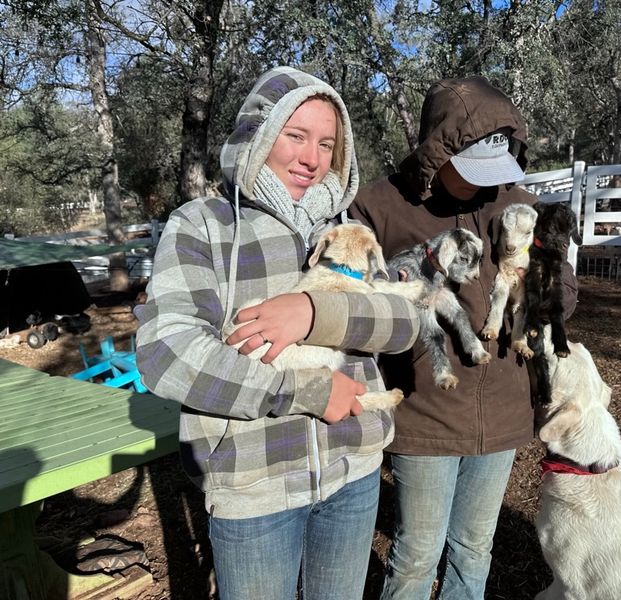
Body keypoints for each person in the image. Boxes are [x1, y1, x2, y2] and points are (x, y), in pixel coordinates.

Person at [134, 66, 420, 600]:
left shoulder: (344, 226)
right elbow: (167, 353)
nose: (312, 158)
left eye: (327, 143)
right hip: (253, 484)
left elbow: (406, 322)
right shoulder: (203, 226)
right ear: (258, 135)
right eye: (295, 135)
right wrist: (304, 391)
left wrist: (314, 313)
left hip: (353, 469)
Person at [349, 76, 579, 599]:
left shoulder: (518, 202)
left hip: (502, 411)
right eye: (471, 169)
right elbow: (359, 304)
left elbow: (564, 287)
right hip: (424, 409)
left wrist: (547, 290)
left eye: (495, 170)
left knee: (475, 549)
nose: (484, 185)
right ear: (437, 151)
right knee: (416, 553)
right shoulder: (379, 207)